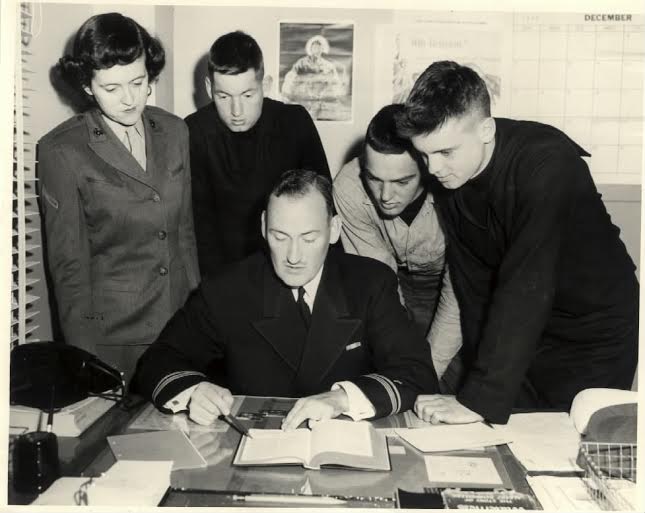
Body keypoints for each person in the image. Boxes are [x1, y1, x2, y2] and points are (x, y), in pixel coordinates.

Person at [398, 61, 639, 425]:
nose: (432, 169)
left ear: (485, 129)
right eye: (424, 155)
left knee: (569, 446)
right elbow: (474, 289)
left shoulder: (547, 161)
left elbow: (528, 283)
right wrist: (478, 388)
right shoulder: (453, 175)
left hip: (593, 333)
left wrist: (480, 399)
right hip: (527, 330)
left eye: (445, 152)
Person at [133, 170, 438, 429]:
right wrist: (193, 391)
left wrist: (342, 398)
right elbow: (158, 360)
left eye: (308, 238)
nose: (293, 256)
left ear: (334, 230)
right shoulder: (227, 289)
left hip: (346, 446)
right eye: (280, 236)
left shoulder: (370, 283)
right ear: (263, 227)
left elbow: (417, 374)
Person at [38, 13, 200, 385]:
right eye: (111, 88)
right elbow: (69, 270)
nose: (129, 99)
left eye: (138, 82)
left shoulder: (176, 131)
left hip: (180, 329)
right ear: (87, 85)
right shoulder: (62, 151)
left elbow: (184, 235)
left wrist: (198, 320)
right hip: (115, 340)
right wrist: (86, 363)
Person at [333, 104, 461, 384]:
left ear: (427, 169)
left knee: (452, 382)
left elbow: (460, 292)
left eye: (402, 182)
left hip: (452, 286)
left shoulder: (455, 186)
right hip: (386, 282)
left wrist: (425, 376)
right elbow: (380, 282)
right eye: (374, 179)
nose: (386, 195)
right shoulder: (347, 187)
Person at [186, 30, 331, 278]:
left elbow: (324, 208)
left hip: (292, 265)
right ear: (209, 87)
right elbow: (200, 229)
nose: (236, 110)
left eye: (248, 95)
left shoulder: (295, 123)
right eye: (223, 96)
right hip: (223, 274)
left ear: (266, 85)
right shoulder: (194, 131)